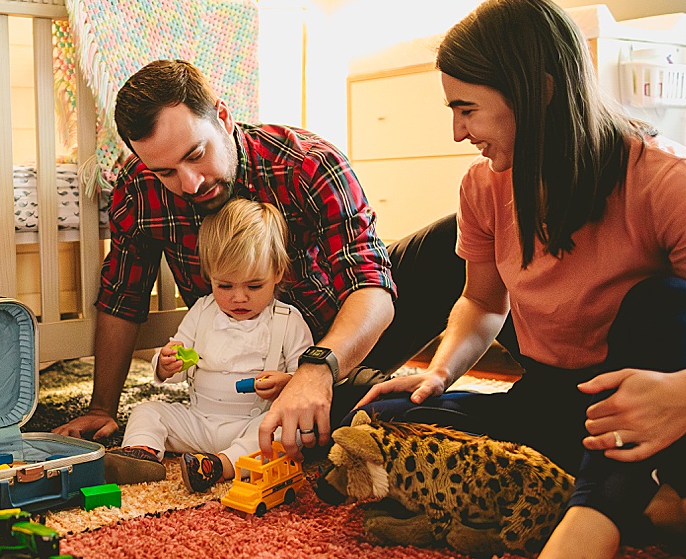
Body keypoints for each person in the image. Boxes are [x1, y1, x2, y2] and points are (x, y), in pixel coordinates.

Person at [353, 0, 686, 559]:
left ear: (539, 93)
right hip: (565, 406)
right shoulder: (485, 188)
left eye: (467, 108)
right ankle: (651, 510)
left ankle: (581, 553)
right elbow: (481, 304)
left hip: (678, 427)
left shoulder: (672, 182)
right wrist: (440, 371)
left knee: (662, 299)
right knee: (389, 413)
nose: (458, 132)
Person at [51, 59, 466, 459]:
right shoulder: (139, 190)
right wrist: (102, 406)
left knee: (463, 237)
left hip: (344, 334)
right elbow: (123, 298)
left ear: (224, 118)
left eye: (196, 154)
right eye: (166, 172)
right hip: (255, 371)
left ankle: (531, 393)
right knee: (357, 423)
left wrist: (317, 368)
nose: (190, 183)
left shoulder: (308, 163)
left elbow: (370, 282)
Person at [103, 199, 314, 493]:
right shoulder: (202, 311)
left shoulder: (287, 320)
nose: (239, 297)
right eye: (225, 286)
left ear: (277, 273)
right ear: (209, 275)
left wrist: (287, 384)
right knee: (147, 410)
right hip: (199, 421)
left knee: (282, 431)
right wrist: (166, 364)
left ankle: (218, 466)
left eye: (254, 286)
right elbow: (177, 365)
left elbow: (306, 380)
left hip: (252, 423)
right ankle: (142, 455)